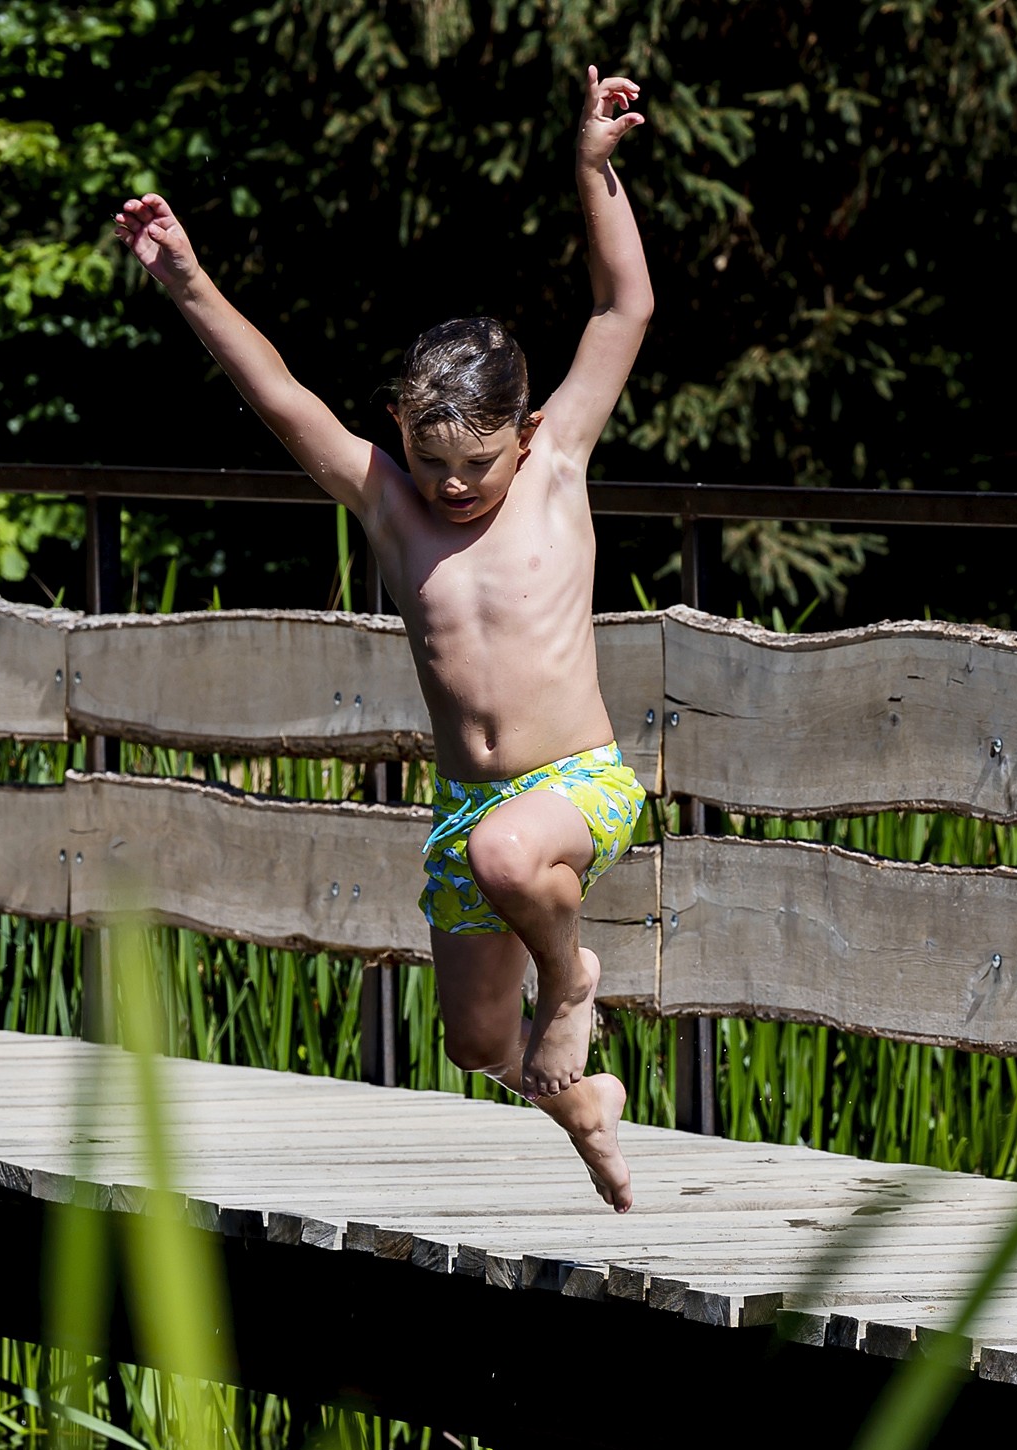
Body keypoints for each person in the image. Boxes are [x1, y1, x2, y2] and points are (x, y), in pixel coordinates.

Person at [113, 65, 652, 1212]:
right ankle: (580, 1104)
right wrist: (190, 283)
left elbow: (622, 312)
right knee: (470, 1040)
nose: (453, 486)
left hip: (578, 788)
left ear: (528, 432)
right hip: (468, 808)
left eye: (476, 462)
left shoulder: (558, 471)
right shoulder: (390, 507)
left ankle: (573, 981)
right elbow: (281, 395)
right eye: (430, 460)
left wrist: (592, 173)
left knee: (516, 863)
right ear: (400, 438)